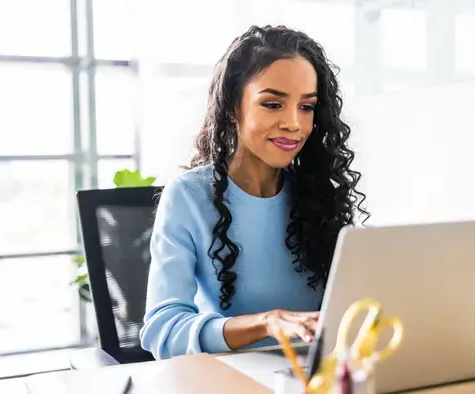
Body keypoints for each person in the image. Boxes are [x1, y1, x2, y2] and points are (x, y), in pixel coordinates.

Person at [139, 25, 369, 360]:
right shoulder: (188, 197)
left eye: (306, 107)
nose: (294, 123)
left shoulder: (317, 195)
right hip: (230, 380)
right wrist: (265, 324)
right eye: (273, 104)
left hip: (310, 378)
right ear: (234, 106)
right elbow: (164, 329)